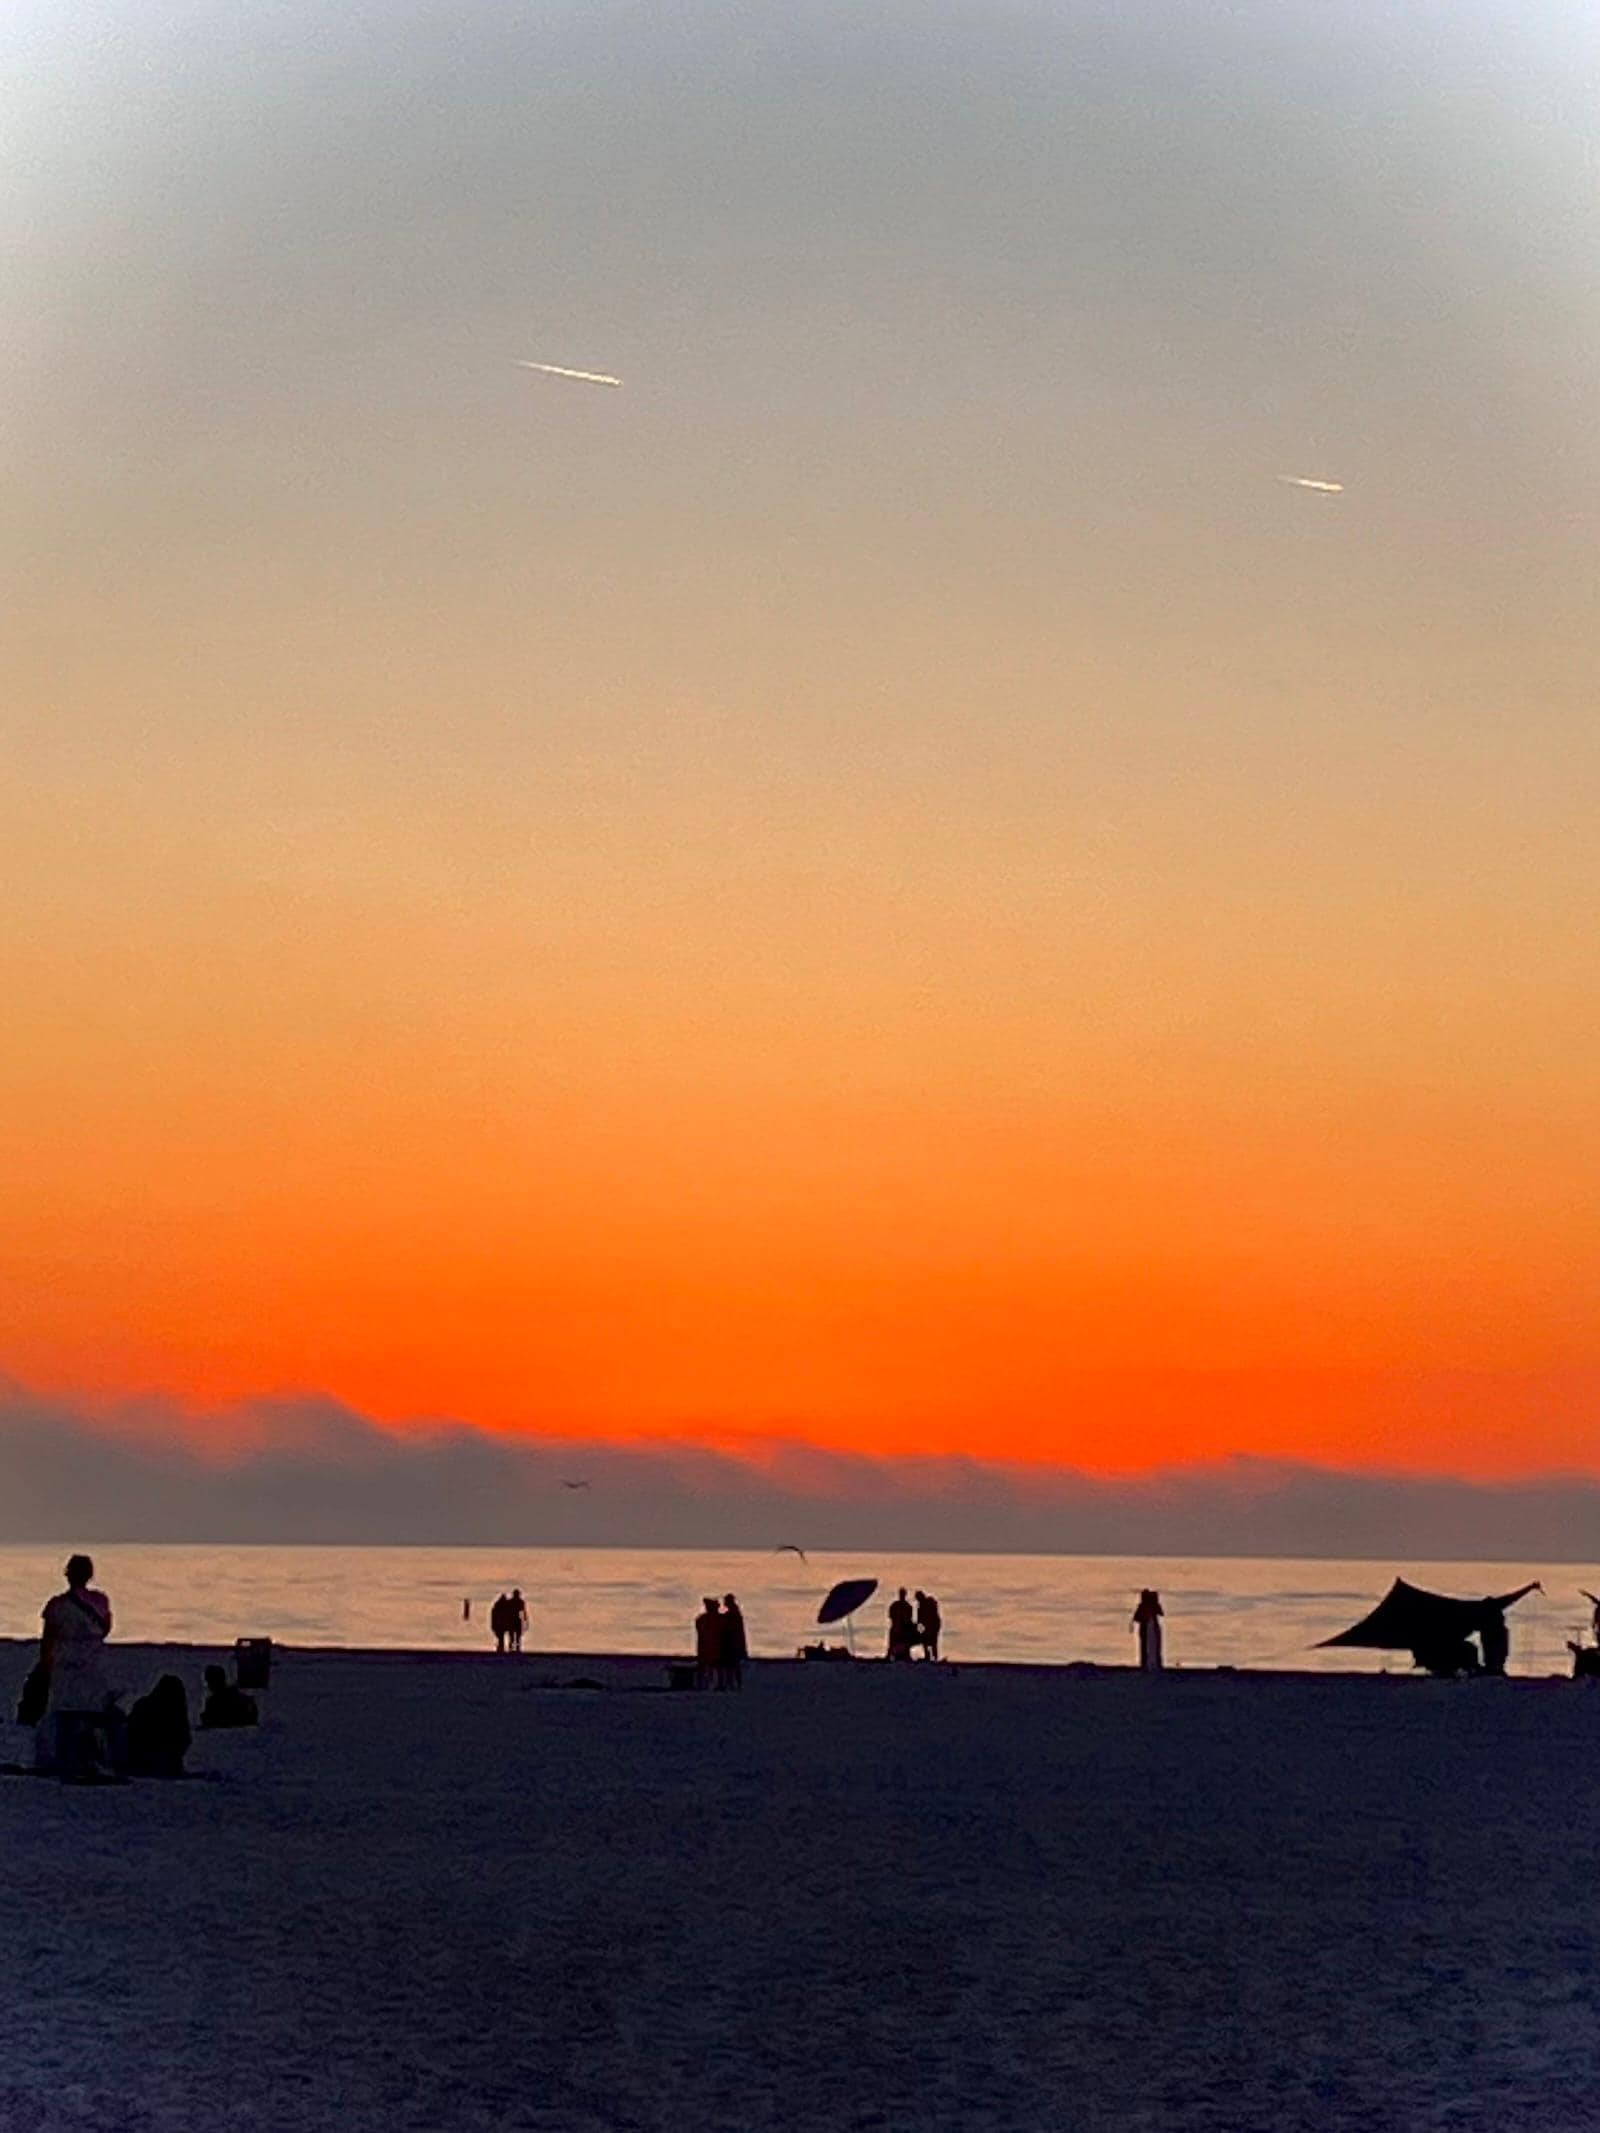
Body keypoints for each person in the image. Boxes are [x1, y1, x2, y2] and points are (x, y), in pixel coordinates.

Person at [37, 1554, 114, 1777]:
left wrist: (45, 1662)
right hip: (93, 1659)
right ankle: (89, 1756)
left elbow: (48, 1637)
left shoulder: (57, 1605)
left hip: (65, 1659)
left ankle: (65, 1757)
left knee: (65, 1713)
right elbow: (106, 1629)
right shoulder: (100, 1601)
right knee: (89, 1712)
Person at [126, 1674, 192, 1778]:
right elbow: (184, 1741)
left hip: (147, 1763)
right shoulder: (175, 1713)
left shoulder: (144, 1706)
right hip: (154, 1763)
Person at [199, 1664, 259, 1729]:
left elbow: (210, 1722)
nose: (206, 1686)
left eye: (207, 1682)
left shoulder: (213, 1702)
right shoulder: (243, 1698)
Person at [719, 1593, 747, 1690]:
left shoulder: (733, 1614)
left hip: (731, 1643)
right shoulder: (734, 1613)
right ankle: (734, 1684)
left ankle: (733, 1684)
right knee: (732, 1666)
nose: (724, 1603)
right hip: (733, 1642)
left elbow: (732, 1629)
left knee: (731, 1666)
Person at [1132, 1589, 1164, 1673]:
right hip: (1147, 1628)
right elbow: (1161, 1613)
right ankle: (1149, 1664)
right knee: (1149, 1646)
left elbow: (1161, 1613)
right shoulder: (1146, 1606)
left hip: (1148, 1628)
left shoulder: (1146, 1606)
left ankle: (1150, 1664)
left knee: (1151, 1646)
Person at [694, 1597, 722, 1689]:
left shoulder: (716, 1619)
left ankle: (710, 1683)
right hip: (708, 1646)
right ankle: (703, 1684)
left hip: (713, 1646)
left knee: (714, 1666)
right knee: (705, 1666)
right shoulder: (704, 1619)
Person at [886, 1588, 916, 1662]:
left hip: (904, 1628)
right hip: (896, 1626)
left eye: (903, 1594)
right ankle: (890, 1655)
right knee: (893, 1643)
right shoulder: (895, 1605)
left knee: (904, 1643)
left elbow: (909, 1618)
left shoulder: (907, 1606)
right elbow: (891, 1616)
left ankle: (905, 1655)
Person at [915, 1590, 942, 1661]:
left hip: (933, 1626)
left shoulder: (929, 1602)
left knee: (933, 1642)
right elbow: (919, 1620)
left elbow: (934, 1615)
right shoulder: (920, 1607)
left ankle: (934, 1657)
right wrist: (919, 1629)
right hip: (927, 1627)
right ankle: (928, 1656)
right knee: (926, 1642)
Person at [507, 1588, 528, 1654]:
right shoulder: (519, 1602)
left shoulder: (514, 1602)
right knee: (513, 1636)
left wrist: (525, 1620)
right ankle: (513, 1648)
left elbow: (524, 1612)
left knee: (516, 1636)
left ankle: (515, 1648)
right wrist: (525, 1620)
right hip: (514, 1620)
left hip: (514, 1620)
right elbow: (524, 1612)